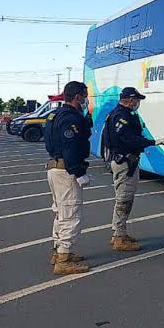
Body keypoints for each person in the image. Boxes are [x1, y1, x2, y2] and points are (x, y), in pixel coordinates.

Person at [103, 87, 164, 252]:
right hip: (125, 162)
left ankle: (119, 233)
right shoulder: (122, 116)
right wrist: (150, 142)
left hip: (124, 161)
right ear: (131, 100)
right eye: (137, 100)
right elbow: (127, 139)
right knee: (124, 200)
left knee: (124, 198)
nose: (138, 103)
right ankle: (119, 237)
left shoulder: (118, 113)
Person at [44, 81, 93, 275]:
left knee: (60, 212)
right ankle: (63, 259)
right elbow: (71, 146)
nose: (86, 99)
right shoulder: (70, 118)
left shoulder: (55, 114)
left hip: (55, 167)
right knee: (71, 213)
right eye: (85, 95)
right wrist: (79, 172)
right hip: (66, 171)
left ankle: (59, 251)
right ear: (77, 96)